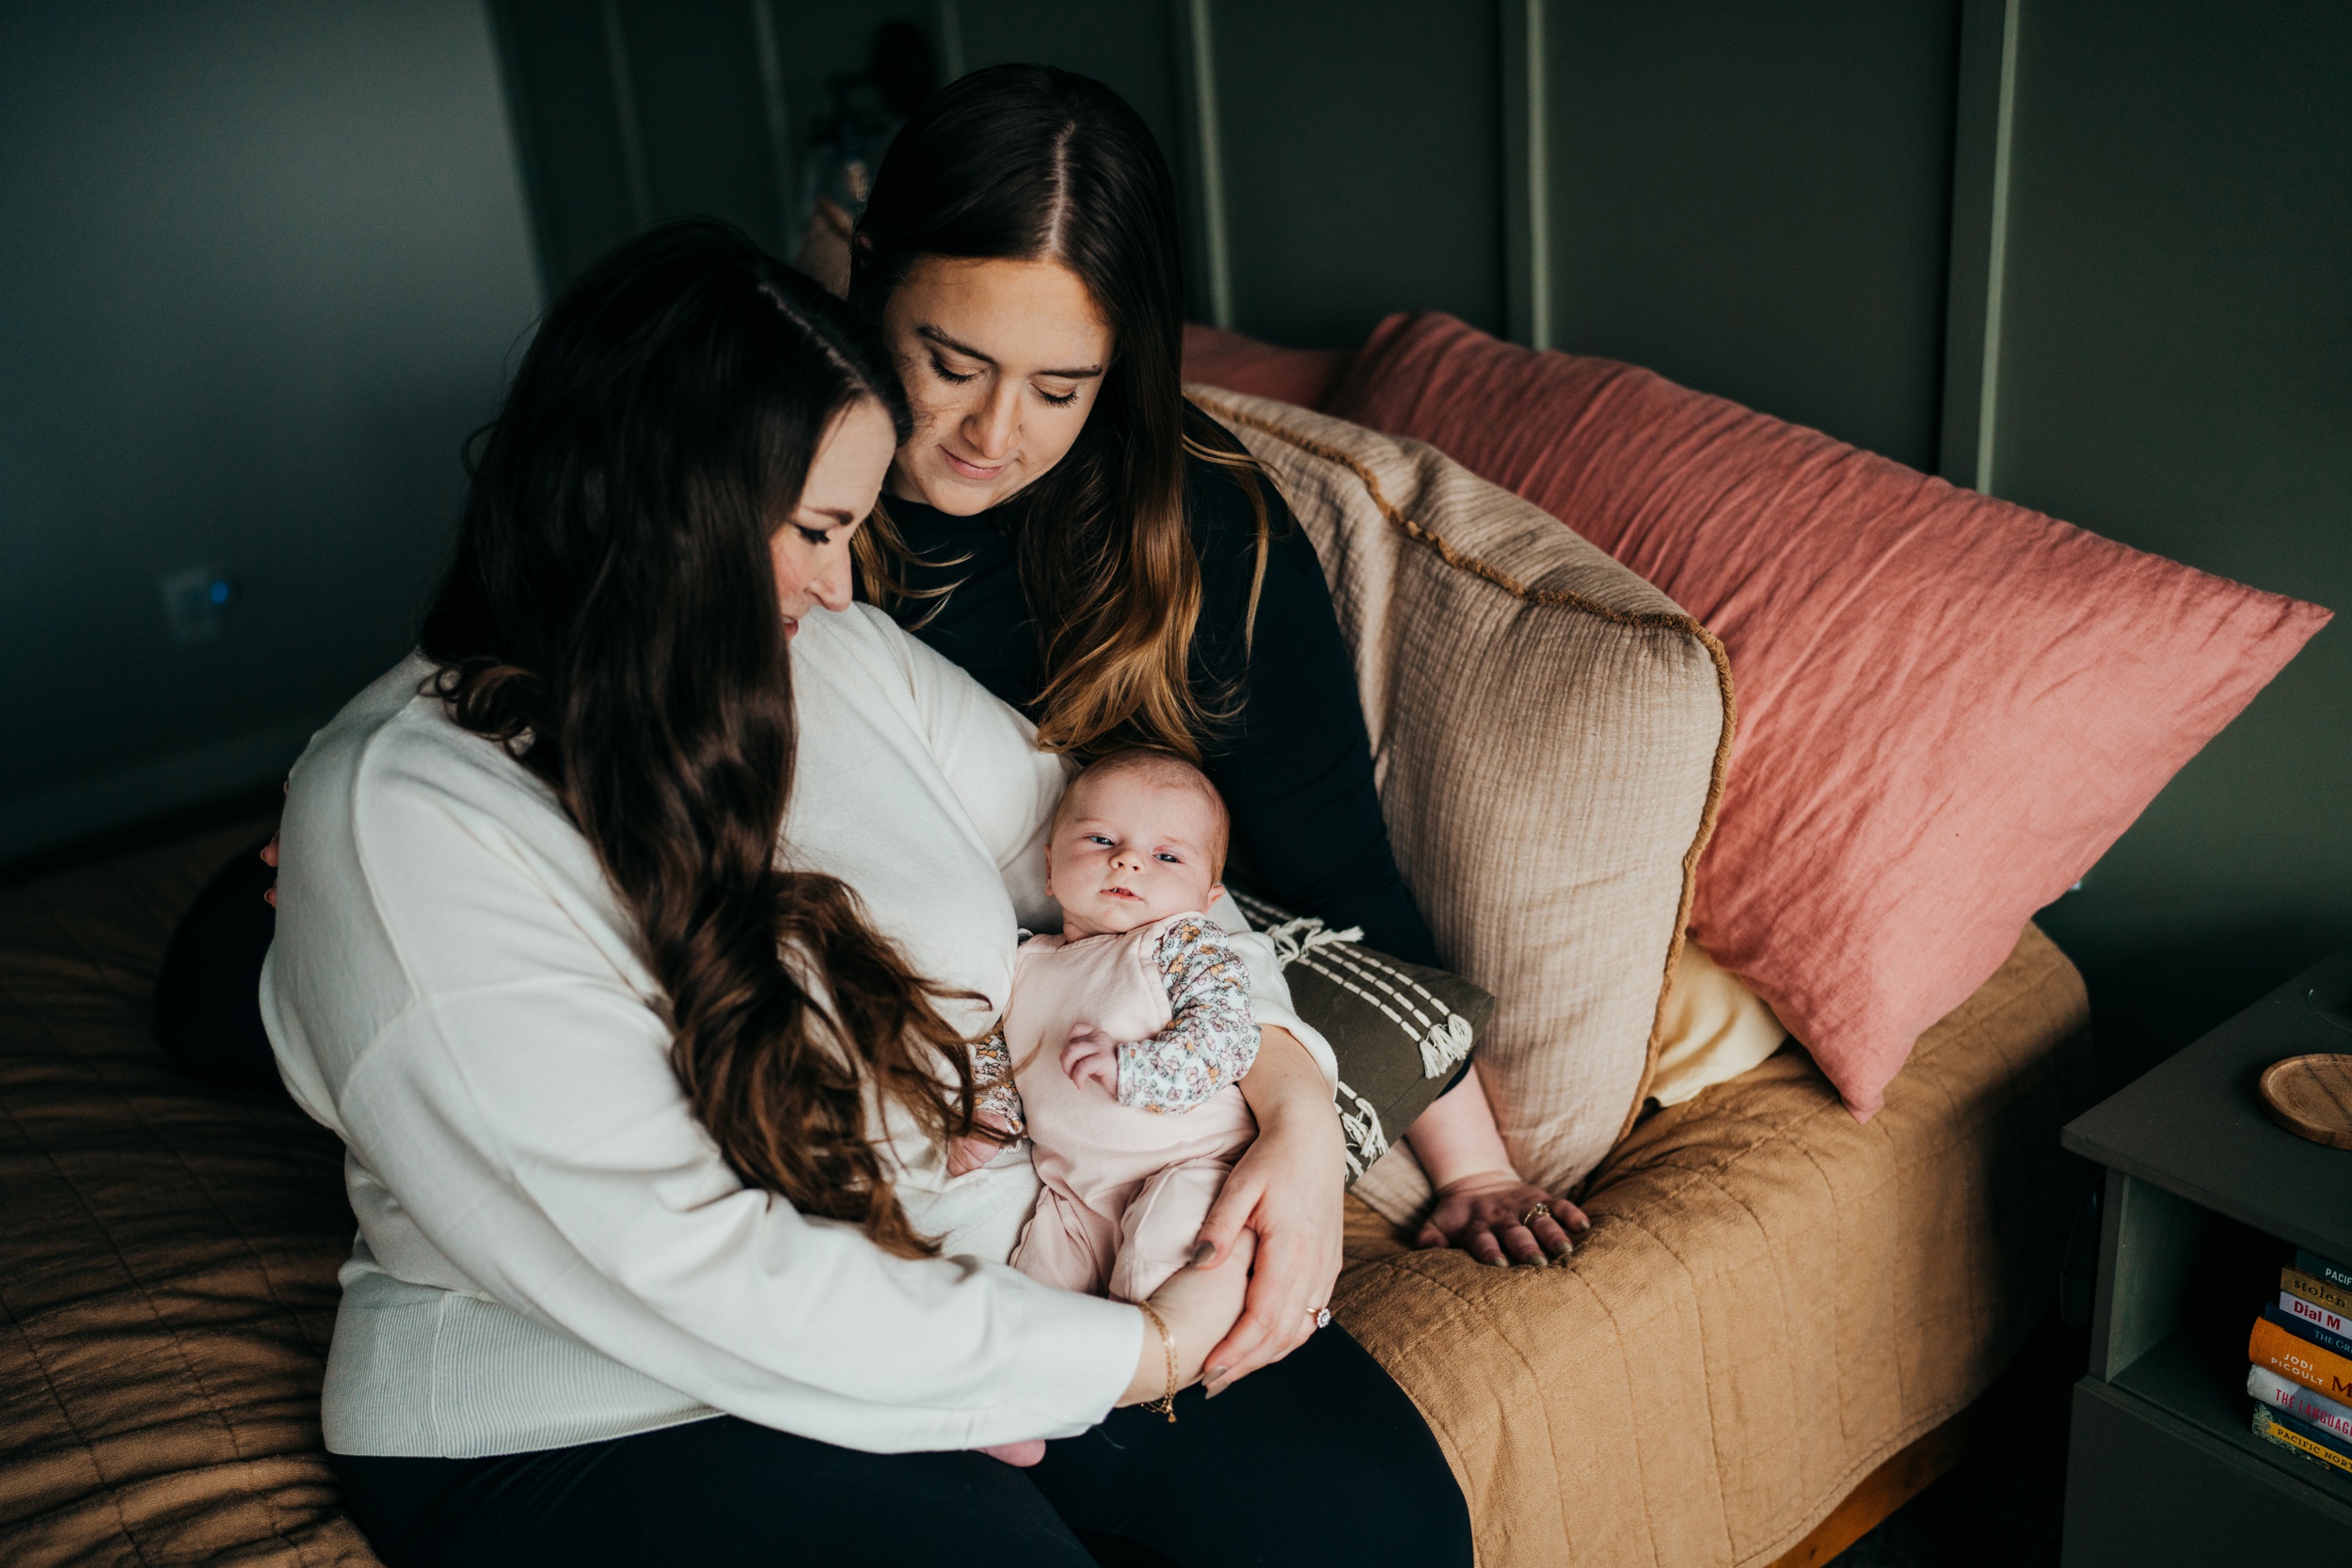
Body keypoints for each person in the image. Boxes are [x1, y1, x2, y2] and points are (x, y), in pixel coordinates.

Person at [265, 219, 1470, 1567]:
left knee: (1378, 1521)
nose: (841, 581)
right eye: (815, 528)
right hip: (619, 1401)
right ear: (668, 505)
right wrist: (1143, 1346)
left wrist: (1293, 1100)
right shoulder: (402, 811)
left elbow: (1147, 873)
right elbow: (690, 1269)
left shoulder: (836, 657)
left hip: (995, 1270)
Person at [849, 63, 1585, 1266]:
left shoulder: (1201, 538)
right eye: (951, 360)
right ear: (870, 269)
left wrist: (1479, 1168)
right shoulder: (774, 459)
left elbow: (1337, 878)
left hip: (1072, 1031)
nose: (992, 435)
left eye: (1058, 386)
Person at [996, 749, 1261, 1308]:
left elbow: (1229, 1037)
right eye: (1100, 840)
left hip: (1193, 1166)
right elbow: (990, 1046)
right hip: (1076, 1196)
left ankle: (1153, 1368)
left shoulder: (1183, 944)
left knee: (1152, 1273)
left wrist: (1133, 1067)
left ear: (1207, 902)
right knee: (1026, 1303)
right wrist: (989, 1111)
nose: (1127, 861)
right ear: (1049, 868)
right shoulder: (1019, 963)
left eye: (1166, 855)